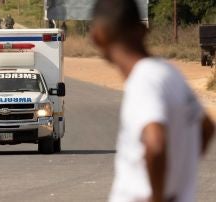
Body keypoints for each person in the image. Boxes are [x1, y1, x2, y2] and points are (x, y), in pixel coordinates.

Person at [89, 0, 215, 202]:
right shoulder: (170, 72)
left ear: (97, 37)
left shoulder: (142, 80)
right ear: (143, 30)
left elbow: (155, 144)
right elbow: (207, 128)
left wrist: (158, 196)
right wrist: (179, 173)